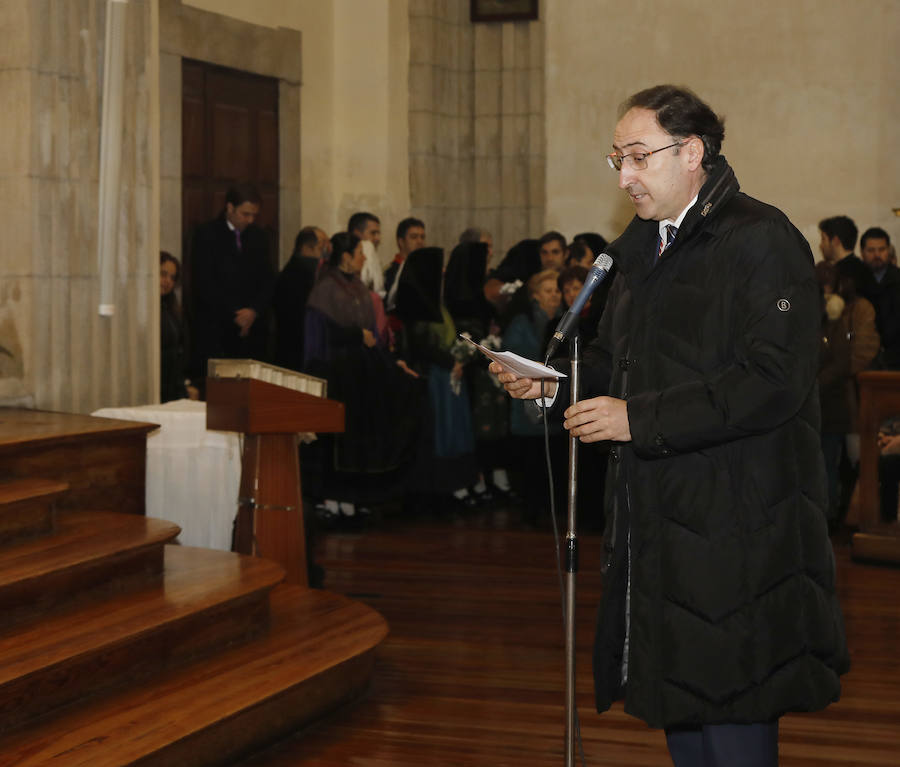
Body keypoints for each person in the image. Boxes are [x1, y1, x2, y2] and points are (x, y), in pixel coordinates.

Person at [490, 84, 848, 767]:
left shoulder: (761, 239)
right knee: (683, 708)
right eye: (616, 158)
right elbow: (612, 363)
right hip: (661, 522)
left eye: (638, 156)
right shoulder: (642, 251)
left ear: (692, 152)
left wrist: (638, 417)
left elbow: (773, 381)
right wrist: (553, 381)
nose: (624, 175)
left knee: (734, 712)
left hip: (740, 529)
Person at [303, 232, 422, 522]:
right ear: (345, 257)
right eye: (359, 252)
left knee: (358, 438)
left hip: (360, 374)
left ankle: (353, 497)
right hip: (336, 373)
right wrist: (356, 335)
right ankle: (333, 498)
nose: (364, 257)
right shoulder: (325, 288)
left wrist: (394, 363)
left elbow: (374, 335)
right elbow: (320, 335)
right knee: (337, 440)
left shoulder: (357, 286)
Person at [189, 183, 275, 393]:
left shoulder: (259, 237)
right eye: (245, 214)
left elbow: (268, 280)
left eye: (254, 215)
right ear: (229, 208)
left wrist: (253, 311)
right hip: (218, 329)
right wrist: (235, 315)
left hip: (252, 330)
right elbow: (205, 282)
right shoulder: (206, 234)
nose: (250, 220)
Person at [273, 226, 328, 372]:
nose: (326, 249)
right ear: (307, 246)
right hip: (301, 345)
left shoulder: (292, 269)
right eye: (323, 244)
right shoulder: (306, 272)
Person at [860, 227, 900, 369]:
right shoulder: (856, 283)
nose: (877, 255)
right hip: (866, 358)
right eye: (871, 250)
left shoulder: (897, 280)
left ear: (888, 250)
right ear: (862, 252)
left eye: (881, 249)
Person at [159, 252, 197, 402]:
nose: (167, 281)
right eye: (163, 274)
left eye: (172, 277)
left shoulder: (172, 309)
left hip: (172, 385)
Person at [348, 211, 385, 296]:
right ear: (357, 234)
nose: (377, 238)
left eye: (378, 233)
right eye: (373, 233)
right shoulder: (367, 247)